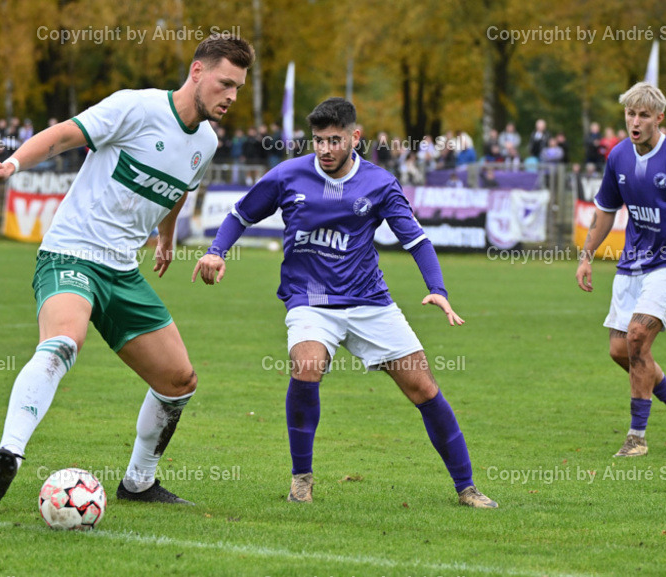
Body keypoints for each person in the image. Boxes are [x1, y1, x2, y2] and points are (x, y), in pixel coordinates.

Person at [0, 34, 255, 504]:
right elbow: (65, 134)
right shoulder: (136, 107)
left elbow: (180, 187)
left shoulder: (206, 142)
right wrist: (13, 164)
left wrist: (166, 236)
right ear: (197, 72)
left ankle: (138, 483)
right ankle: (10, 452)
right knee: (63, 342)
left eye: (239, 88)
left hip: (122, 271)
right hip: (72, 254)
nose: (231, 97)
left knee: (178, 381)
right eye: (226, 83)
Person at [193, 98, 498, 508]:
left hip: (369, 300)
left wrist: (437, 289)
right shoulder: (288, 175)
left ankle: (467, 487)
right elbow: (239, 214)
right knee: (307, 365)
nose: (325, 149)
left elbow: (417, 240)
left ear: (355, 137)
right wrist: (217, 250)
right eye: (319, 140)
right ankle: (302, 478)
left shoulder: (379, 183)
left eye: (335, 140)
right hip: (310, 300)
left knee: (423, 388)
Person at [576, 82, 666, 458]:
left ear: (659, 118)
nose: (635, 121)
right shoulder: (618, 156)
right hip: (632, 263)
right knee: (620, 350)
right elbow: (606, 211)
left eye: (643, 115)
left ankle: (637, 437)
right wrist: (587, 254)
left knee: (638, 336)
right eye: (630, 114)